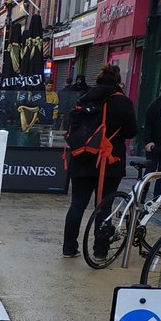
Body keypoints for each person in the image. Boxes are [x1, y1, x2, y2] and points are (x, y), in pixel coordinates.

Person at [62, 63, 137, 259]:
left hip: (81, 158)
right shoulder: (123, 102)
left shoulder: (84, 97)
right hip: (108, 161)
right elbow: (131, 131)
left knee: (77, 204)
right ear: (118, 81)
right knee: (104, 206)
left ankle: (69, 248)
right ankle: (100, 251)